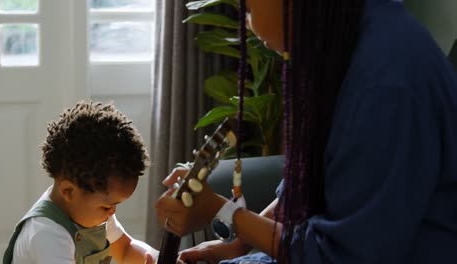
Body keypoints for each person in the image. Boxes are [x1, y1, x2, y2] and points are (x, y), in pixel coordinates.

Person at [155, 0, 457, 263]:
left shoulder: (386, 86)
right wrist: (241, 241)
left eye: (248, 9)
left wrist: (224, 213)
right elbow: (311, 183)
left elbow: (342, 256)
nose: (247, 27)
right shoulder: (349, 39)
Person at [3, 101, 158, 264]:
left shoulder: (95, 213)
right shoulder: (47, 235)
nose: (112, 212)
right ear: (68, 191)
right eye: (107, 206)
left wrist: (158, 258)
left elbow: (126, 249)